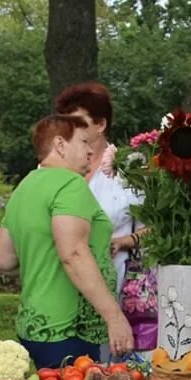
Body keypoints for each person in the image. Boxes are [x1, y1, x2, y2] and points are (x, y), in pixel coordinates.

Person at [0, 114, 134, 368]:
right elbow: (73, 253)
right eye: (83, 142)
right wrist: (114, 317)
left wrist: (43, 262)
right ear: (60, 145)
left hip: (33, 326)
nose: (91, 151)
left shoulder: (25, 186)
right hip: (70, 330)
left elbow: (2, 261)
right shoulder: (70, 184)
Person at [54, 82, 146, 295]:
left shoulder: (131, 169)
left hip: (114, 285)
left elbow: (154, 229)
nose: (69, 129)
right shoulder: (52, 166)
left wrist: (123, 242)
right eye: (65, 123)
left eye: (77, 122)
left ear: (101, 124)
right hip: (60, 284)